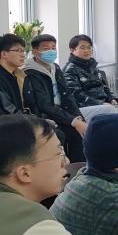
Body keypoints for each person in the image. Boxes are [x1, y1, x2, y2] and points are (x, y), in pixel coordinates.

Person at [23, 34, 87, 162]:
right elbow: (44, 105)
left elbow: (67, 95)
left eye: (53, 48)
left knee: (81, 132)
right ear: (35, 52)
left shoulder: (55, 67)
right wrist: (73, 121)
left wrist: (78, 117)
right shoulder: (29, 72)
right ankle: (64, 168)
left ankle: (79, 167)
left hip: (61, 112)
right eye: (46, 48)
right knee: (65, 134)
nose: (51, 51)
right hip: (45, 116)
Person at [62, 34, 118, 119]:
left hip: (102, 104)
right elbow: (76, 96)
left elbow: (105, 88)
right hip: (82, 108)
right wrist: (100, 103)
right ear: (72, 50)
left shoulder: (93, 68)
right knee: (109, 110)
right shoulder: (69, 70)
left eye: (89, 47)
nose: (87, 51)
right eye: (82, 48)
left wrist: (112, 99)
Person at [0, 33, 38, 121]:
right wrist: (35, 123)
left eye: (23, 51)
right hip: (10, 125)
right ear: (4, 54)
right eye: (18, 50)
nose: (23, 55)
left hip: (24, 121)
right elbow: (6, 113)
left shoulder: (19, 74)